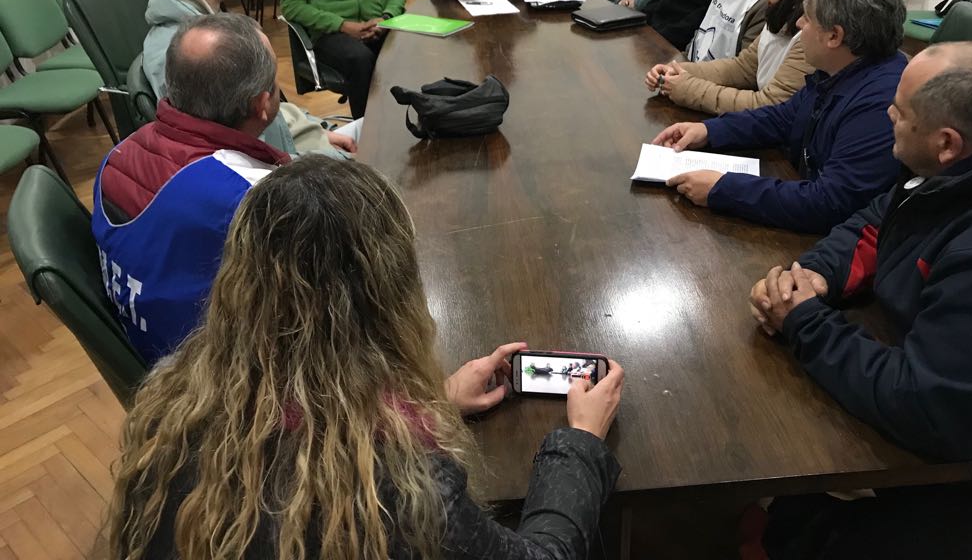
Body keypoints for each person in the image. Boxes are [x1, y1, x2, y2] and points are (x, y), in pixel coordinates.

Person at [107, 155, 626, 559]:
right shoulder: (400, 488)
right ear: (391, 296)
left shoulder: (173, 399)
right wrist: (579, 442)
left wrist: (437, 401)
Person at [749, 42, 972, 559]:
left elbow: (932, 409)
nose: (887, 116)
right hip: (943, 391)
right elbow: (881, 219)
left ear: (947, 143)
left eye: (900, 111)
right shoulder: (964, 168)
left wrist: (804, 322)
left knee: (802, 527)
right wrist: (814, 276)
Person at [651, 0, 907, 234]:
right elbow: (782, 118)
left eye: (807, 17)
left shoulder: (881, 105)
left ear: (834, 36)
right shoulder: (840, 68)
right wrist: (708, 131)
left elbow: (827, 203)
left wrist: (723, 189)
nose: (799, 24)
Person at [93, 14, 290, 364]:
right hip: (209, 372)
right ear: (261, 105)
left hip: (149, 345)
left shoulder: (118, 154)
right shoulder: (254, 196)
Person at [142, 0, 359, 157]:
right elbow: (243, 157)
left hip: (290, 142)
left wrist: (316, 131)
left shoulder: (205, 29)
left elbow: (263, 119)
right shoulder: (187, 56)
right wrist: (333, 158)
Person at [643, 0, 846, 113]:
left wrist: (687, 88)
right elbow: (743, 68)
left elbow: (770, 104)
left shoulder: (813, 33)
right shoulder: (782, 13)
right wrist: (679, 70)